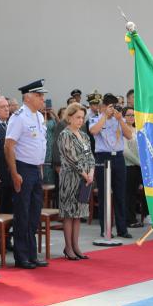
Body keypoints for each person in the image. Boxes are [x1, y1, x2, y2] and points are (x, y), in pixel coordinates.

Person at [4, 79, 49, 269]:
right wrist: (14, 173)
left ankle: (32, 254)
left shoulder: (39, 116)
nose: (43, 99)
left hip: (36, 169)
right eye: (39, 96)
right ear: (28, 97)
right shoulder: (19, 117)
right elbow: (9, 146)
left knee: (33, 214)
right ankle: (21, 256)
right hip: (22, 168)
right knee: (22, 213)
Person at [88, 93, 132, 239]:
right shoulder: (96, 118)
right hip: (103, 157)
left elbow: (129, 135)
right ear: (104, 107)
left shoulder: (120, 119)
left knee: (120, 194)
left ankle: (122, 228)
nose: (113, 110)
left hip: (118, 157)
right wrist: (105, 116)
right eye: (110, 107)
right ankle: (105, 228)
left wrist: (120, 119)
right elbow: (93, 131)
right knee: (104, 195)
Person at [57, 103, 95, 260]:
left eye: (82, 118)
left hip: (85, 178)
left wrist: (91, 172)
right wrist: (84, 173)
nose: (80, 120)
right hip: (70, 178)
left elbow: (90, 156)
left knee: (78, 213)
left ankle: (76, 246)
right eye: (77, 117)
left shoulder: (85, 136)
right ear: (69, 117)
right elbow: (70, 157)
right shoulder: (65, 135)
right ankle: (68, 247)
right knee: (69, 213)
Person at [123, 106, 146, 228]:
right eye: (128, 115)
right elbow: (125, 151)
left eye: (133, 115)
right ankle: (129, 219)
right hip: (129, 166)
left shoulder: (137, 129)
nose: (131, 117)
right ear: (123, 117)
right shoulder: (122, 129)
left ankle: (139, 217)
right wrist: (139, 162)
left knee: (137, 194)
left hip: (139, 166)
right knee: (129, 194)